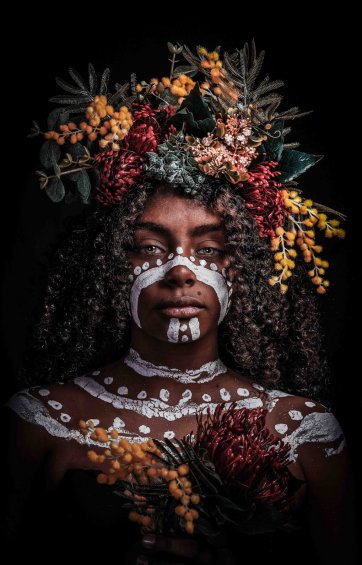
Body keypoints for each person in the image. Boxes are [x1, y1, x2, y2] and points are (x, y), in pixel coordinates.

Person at [3, 42, 357, 564]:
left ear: (243, 270)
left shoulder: (305, 431)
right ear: (110, 263)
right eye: (149, 247)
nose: (182, 270)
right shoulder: (41, 421)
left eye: (210, 249)